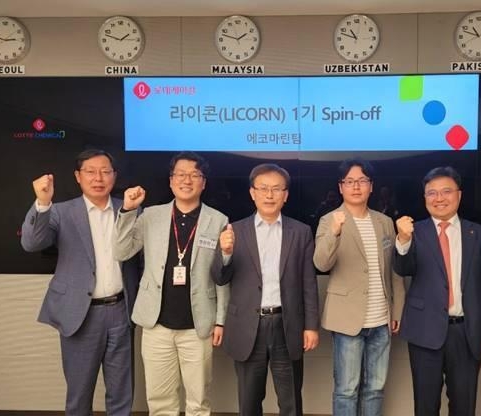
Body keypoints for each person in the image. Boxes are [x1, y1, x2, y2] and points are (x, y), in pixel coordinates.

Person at [20, 149, 139, 415]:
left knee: (122, 393)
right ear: (77, 176)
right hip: (80, 313)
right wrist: (42, 202)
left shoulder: (130, 208)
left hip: (121, 311)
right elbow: (31, 243)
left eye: (105, 171)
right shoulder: (61, 212)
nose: (98, 178)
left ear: (114, 176)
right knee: (79, 394)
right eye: (90, 172)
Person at [113, 151, 229, 415]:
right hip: (156, 324)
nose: (187, 180)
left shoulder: (218, 220)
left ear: (203, 183)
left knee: (198, 402)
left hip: (198, 325)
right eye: (180, 174)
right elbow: (121, 251)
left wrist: (220, 320)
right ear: (170, 180)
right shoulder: (150, 215)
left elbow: (221, 274)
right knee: (160, 400)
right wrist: (128, 210)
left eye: (194, 175)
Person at [393, 166, 481, 416]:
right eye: (432, 193)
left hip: (467, 331)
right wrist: (403, 240)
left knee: (464, 405)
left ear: (459, 195)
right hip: (424, 330)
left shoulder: (480, 234)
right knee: (425, 405)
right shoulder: (414, 232)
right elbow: (403, 268)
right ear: (424, 198)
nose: (439, 198)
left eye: (446, 191)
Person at [216, 163, 320, 416]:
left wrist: (311, 326)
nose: (269, 195)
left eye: (276, 189)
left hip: (287, 325)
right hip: (247, 326)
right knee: (249, 402)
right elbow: (219, 277)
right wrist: (225, 253)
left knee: (290, 401)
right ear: (252, 193)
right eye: (263, 188)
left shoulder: (301, 232)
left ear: (286, 195)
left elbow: (308, 282)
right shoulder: (234, 231)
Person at [313, 157, 405, 416]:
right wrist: (334, 232)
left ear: (371, 186)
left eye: (362, 181)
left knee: (375, 387)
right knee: (346, 389)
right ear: (340, 187)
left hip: (381, 320)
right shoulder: (329, 220)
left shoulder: (384, 222)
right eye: (350, 181)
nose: (356, 186)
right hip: (347, 320)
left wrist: (397, 310)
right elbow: (321, 263)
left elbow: (394, 270)